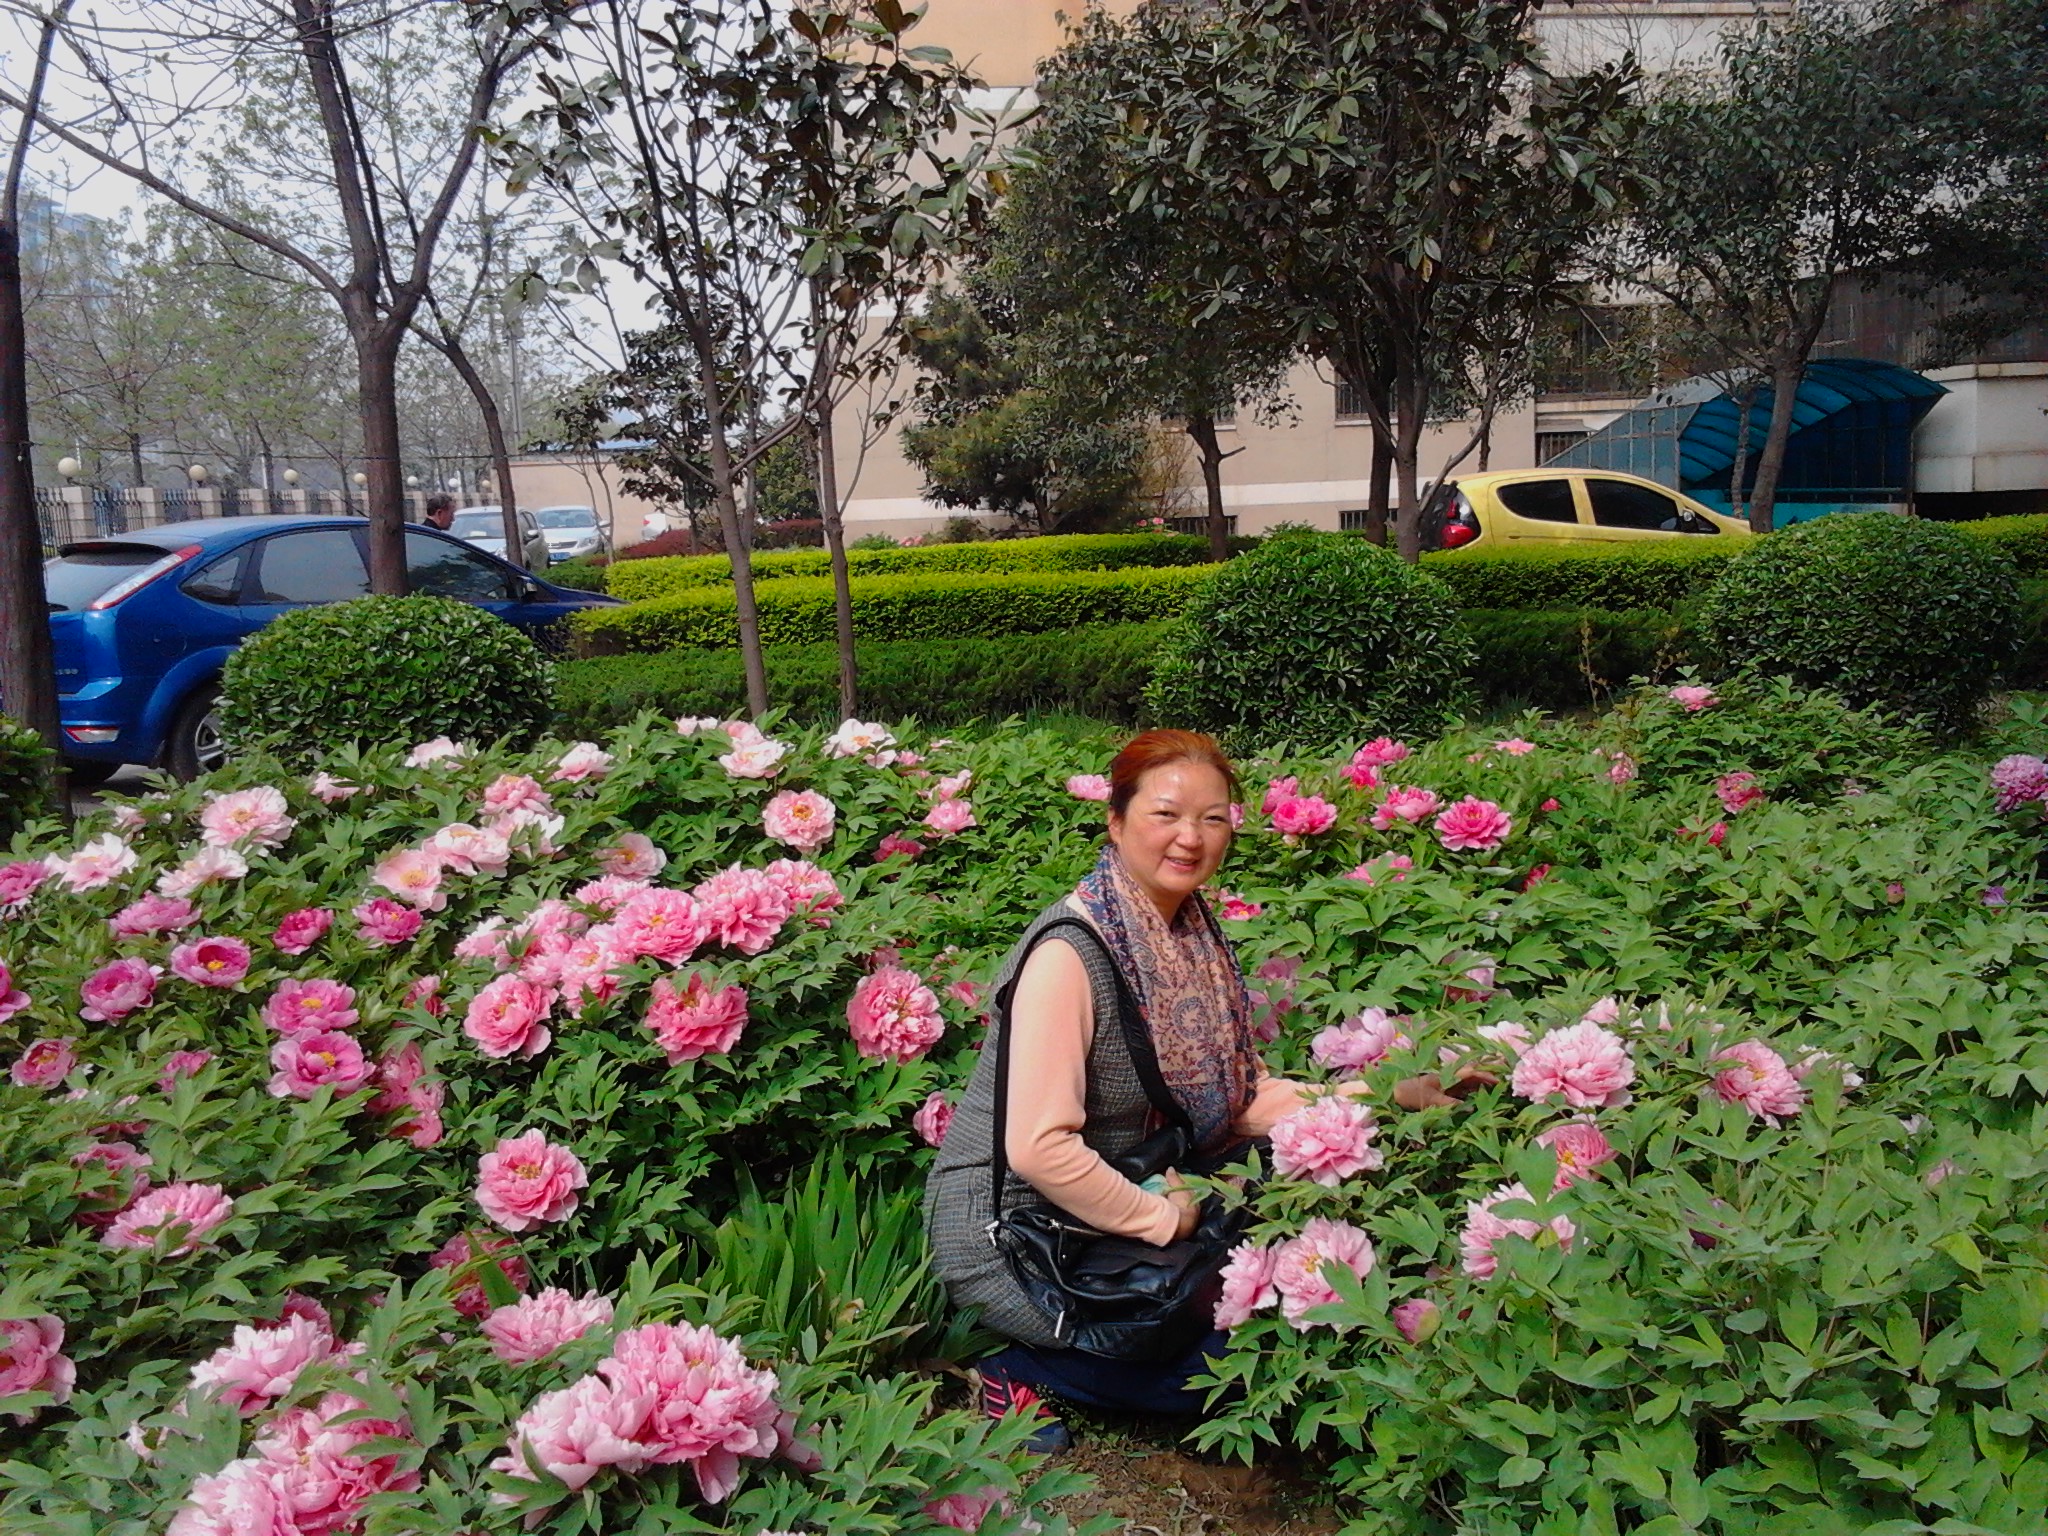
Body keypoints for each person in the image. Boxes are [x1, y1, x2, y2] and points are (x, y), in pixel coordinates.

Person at [924, 729, 1326, 1454]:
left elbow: (1239, 1100)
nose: (1190, 838)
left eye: (1212, 818)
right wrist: (1162, 1222)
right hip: (1025, 1235)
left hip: (1132, 1187)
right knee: (1236, 1368)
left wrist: (1371, 1102)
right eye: (1166, 815)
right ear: (1116, 822)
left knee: (1284, 1296)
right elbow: (1039, 1150)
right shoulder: (1069, 954)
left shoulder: (1191, 937)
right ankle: (1021, 1370)